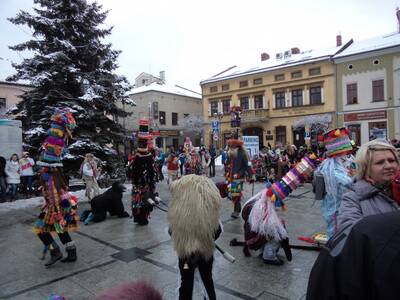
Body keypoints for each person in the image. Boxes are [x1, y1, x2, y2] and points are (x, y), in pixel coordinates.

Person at [34, 109, 79, 267]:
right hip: (56, 205)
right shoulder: (53, 172)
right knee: (61, 229)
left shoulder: (50, 175)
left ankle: (55, 251)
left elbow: (53, 194)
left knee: (41, 230)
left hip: (54, 207)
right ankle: (71, 252)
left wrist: (54, 211)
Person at [168, 175, 222, 300]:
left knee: (186, 281)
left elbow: (171, 232)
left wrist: (184, 237)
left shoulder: (177, 214)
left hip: (186, 257)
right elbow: (217, 232)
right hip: (205, 255)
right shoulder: (209, 215)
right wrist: (206, 237)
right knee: (207, 280)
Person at [337, 139, 400, 231]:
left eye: (391, 160)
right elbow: (350, 233)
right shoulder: (352, 199)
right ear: (366, 169)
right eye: (380, 162)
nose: (388, 166)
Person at [313, 128, 355, 238]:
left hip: (340, 207)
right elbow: (346, 182)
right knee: (336, 231)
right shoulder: (329, 168)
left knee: (338, 230)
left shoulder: (337, 164)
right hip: (335, 207)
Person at [131, 119, 157, 225]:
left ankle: (139, 217)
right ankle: (142, 217)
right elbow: (150, 171)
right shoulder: (147, 157)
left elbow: (135, 171)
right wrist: (151, 182)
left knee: (139, 200)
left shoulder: (137, 157)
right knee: (142, 200)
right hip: (143, 183)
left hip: (139, 183)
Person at [225, 138, 254, 218]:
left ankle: (236, 211)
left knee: (235, 194)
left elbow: (247, 165)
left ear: (236, 147)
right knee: (233, 194)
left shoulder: (242, 154)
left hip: (238, 177)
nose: (230, 149)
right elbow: (228, 164)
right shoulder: (231, 154)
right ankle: (236, 209)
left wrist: (251, 175)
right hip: (230, 177)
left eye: (231, 147)